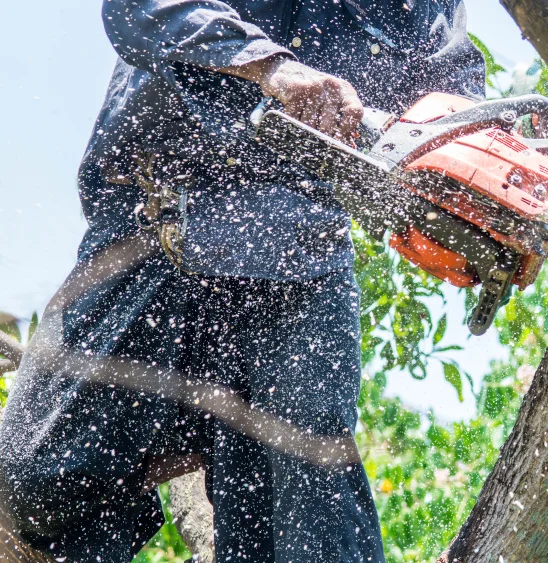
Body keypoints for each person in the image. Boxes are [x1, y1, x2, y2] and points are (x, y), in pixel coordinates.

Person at [0, 1, 486, 561]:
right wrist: (270, 66)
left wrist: (495, 155)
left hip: (299, 254)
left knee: (307, 502)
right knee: (31, 484)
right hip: (158, 224)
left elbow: (451, 94)